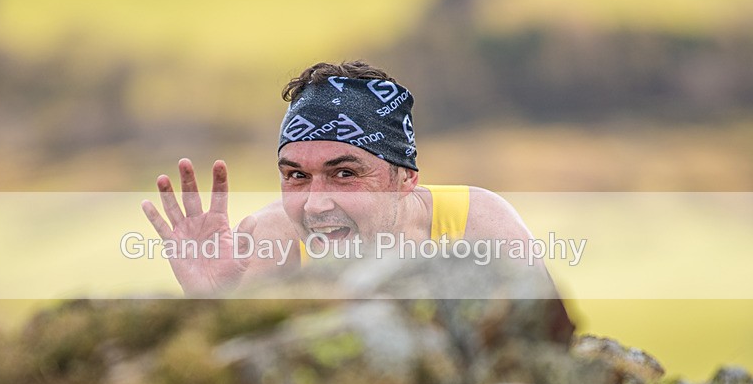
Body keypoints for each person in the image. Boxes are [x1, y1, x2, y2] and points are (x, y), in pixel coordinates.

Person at [142, 61, 539, 296]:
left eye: (344, 173)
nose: (316, 204)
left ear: (404, 179)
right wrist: (212, 304)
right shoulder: (267, 246)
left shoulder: (478, 225)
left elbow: (552, 356)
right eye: (297, 175)